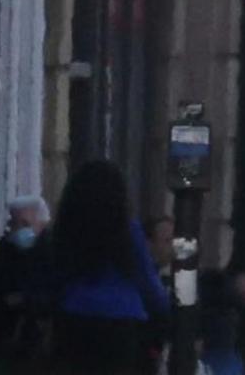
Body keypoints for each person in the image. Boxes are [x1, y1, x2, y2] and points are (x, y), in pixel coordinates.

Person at [43, 158, 173, 375]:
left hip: (75, 318)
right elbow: (147, 281)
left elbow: (56, 276)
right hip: (122, 323)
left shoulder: (69, 230)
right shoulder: (128, 232)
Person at [0, 195, 60, 375]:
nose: (18, 230)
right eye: (14, 224)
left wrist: (28, 301)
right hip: (4, 351)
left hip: (41, 352)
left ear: (41, 224)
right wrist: (4, 302)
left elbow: (59, 297)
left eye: (25, 224)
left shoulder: (53, 255)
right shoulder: (2, 254)